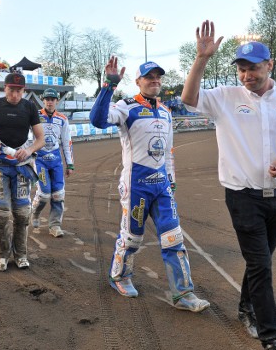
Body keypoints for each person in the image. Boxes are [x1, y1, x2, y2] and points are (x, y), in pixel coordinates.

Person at [180, 21, 276, 350]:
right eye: (241, 69)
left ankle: (245, 307)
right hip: (243, 196)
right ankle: (272, 342)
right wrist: (200, 59)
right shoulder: (225, 98)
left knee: (261, 263)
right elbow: (188, 98)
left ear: (269, 65)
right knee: (261, 266)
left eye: (252, 68)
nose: (246, 75)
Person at [90, 56, 210, 313]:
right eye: (149, 76)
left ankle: (184, 294)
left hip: (162, 186)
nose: (155, 80)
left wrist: (171, 180)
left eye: (158, 76)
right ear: (138, 81)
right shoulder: (126, 106)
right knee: (133, 237)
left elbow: (168, 151)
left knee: (173, 238)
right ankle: (120, 276)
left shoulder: (166, 111)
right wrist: (108, 86)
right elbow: (98, 121)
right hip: (136, 186)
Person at [0, 72, 45, 272]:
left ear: (24, 91)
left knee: (22, 214)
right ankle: (3, 254)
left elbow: (41, 139)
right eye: (11, 90)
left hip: (21, 165)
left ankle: (21, 253)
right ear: (4, 88)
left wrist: (29, 150)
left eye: (19, 91)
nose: (15, 95)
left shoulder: (29, 107)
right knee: (0, 214)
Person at [31, 88, 74, 237]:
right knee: (43, 194)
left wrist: (70, 164)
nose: (50, 102)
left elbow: (66, 142)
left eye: (53, 99)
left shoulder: (62, 119)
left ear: (57, 101)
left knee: (58, 195)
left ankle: (55, 225)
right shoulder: (35, 116)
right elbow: (27, 138)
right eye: (47, 99)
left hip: (55, 160)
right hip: (40, 159)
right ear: (43, 100)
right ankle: (35, 213)